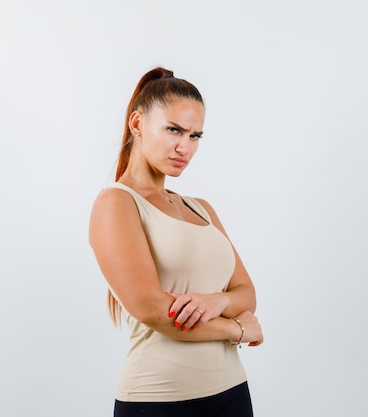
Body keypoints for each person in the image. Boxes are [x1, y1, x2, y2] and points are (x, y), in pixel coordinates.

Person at [88, 67, 264, 417]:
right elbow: (154, 311)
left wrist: (215, 301)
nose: (186, 147)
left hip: (232, 392)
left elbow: (247, 292)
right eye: (174, 130)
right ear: (137, 124)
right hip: (159, 400)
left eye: (195, 135)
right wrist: (237, 327)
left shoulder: (202, 208)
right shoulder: (117, 203)